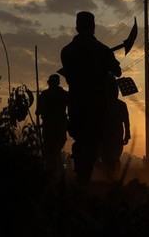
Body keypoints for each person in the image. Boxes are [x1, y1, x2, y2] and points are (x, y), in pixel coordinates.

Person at [60, 11, 122, 187]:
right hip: (98, 104)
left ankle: (82, 178)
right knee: (100, 140)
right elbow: (117, 72)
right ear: (93, 27)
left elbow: (70, 75)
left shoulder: (67, 51)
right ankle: (108, 179)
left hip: (76, 103)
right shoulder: (103, 51)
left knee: (81, 139)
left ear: (77, 27)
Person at [36, 73, 70, 177]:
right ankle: (54, 170)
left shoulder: (45, 95)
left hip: (51, 125)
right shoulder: (63, 94)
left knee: (50, 148)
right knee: (54, 148)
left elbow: (38, 112)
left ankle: (53, 170)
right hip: (58, 125)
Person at [99, 75, 130, 178]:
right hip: (107, 132)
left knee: (114, 156)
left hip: (114, 132)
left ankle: (112, 176)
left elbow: (126, 121)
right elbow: (126, 121)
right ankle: (110, 176)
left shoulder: (119, 105)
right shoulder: (104, 104)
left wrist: (127, 134)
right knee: (108, 156)